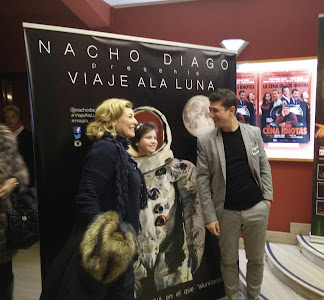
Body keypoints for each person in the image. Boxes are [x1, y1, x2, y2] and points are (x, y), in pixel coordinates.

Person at [40, 98, 146, 300]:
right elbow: (87, 196)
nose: (135, 122)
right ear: (113, 120)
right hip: (106, 250)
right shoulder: (105, 149)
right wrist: (108, 241)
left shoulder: (120, 150)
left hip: (120, 247)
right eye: (130, 117)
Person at [196, 89, 273, 300]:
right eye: (210, 110)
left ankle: (253, 295)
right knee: (228, 260)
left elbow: (264, 166)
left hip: (256, 208)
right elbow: (202, 180)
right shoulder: (205, 140)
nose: (211, 115)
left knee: (256, 259)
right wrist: (210, 216)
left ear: (231, 110)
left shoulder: (253, 133)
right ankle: (233, 297)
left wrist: (267, 199)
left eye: (215, 110)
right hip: (225, 212)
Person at [128, 109, 205, 298]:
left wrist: (195, 244)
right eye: (148, 138)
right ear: (136, 141)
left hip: (170, 253)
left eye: (155, 137)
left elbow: (193, 204)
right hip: (135, 255)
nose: (154, 141)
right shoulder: (125, 170)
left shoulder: (177, 168)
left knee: (174, 292)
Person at [0, 124, 30, 300]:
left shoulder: (4, 138)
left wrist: (13, 181)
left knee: (3, 277)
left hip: (2, 225)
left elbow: (22, 174)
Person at [3, 105, 35, 186]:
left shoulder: (27, 136)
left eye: (12, 117)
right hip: (7, 180)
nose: (10, 120)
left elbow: (30, 161)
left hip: (23, 178)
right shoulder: (4, 136)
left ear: (18, 117)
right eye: (7, 117)